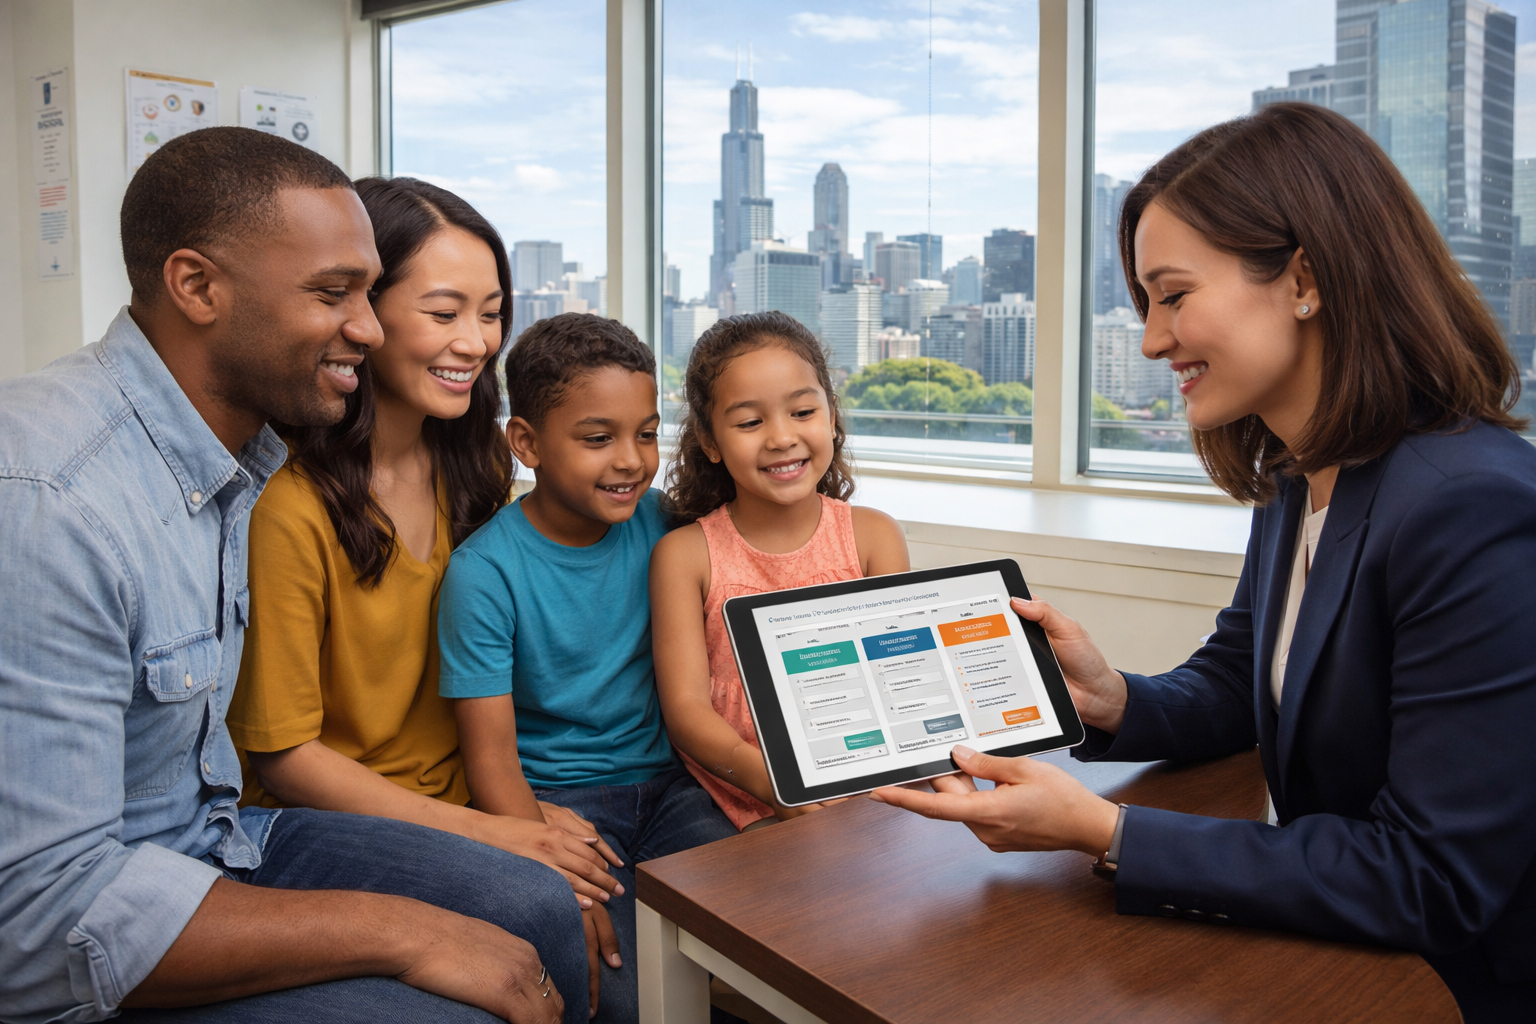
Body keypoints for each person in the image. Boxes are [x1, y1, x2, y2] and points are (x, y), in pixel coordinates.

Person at [870, 102, 1536, 1021]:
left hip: (1448, 988)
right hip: (1339, 945)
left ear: (1304, 277)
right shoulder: (1300, 475)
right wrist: (1114, 699)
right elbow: (1241, 682)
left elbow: (1429, 879)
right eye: (1145, 304)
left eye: (1174, 296)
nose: (1150, 340)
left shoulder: (1471, 505)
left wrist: (1106, 831)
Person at [0, 127, 583, 1024]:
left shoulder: (245, 453)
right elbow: (43, 923)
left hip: (219, 839)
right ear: (196, 286)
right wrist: (409, 931)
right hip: (109, 905)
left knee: (533, 905)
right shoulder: (53, 501)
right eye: (333, 293)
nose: (367, 325)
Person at [225, 177, 621, 1017]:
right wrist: (501, 834)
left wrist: (516, 805)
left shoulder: (473, 467)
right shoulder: (288, 507)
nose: (476, 342)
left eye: (491, 312)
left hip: (458, 792)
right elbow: (284, 758)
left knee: (616, 922)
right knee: (542, 901)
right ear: (365, 315)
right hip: (315, 818)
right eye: (444, 313)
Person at [436, 313, 740, 1023]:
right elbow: (490, 761)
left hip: (674, 788)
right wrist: (553, 873)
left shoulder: (663, 523)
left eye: (645, 433)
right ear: (527, 443)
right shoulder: (482, 573)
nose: (631, 459)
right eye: (597, 439)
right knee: (625, 998)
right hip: (567, 807)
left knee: (780, 917)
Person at [650, 311, 910, 830]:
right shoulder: (685, 555)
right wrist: (775, 783)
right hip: (742, 788)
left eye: (802, 412)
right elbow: (686, 712)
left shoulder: (874, 535)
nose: (781, 438)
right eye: (750, 422)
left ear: (832, 416)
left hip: (864, 777)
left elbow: (899, 673)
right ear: (709, 441)